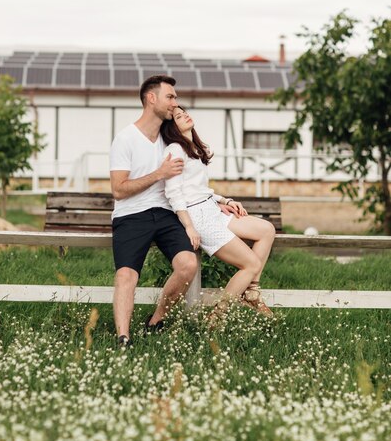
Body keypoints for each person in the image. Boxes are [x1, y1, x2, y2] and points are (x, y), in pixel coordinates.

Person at [160, 106, 276, 321]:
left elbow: (199, 189)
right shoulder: (175, 150)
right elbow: (174, 194)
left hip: (212, 209)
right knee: (250, 264)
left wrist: (225, 200)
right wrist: (189, 226)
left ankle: (251, 292)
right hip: (198, 217)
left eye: (184, 111)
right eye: (178, 116)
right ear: (172, 127)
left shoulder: (195, 147)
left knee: (266, 230)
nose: (185, 114)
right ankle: (217, 316)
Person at [109, 76, 198, 347]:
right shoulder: (125, 138)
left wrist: (221, 200)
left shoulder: (170, 139)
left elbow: (192, 181)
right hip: (131, 214)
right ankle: (123, 337)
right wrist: (158, 174)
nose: (175, 102)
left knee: (188, 264)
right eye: (170, 97)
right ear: (151, 99)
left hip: (165, 213)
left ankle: (155, 321)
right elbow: (118, 190)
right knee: (126, 274)